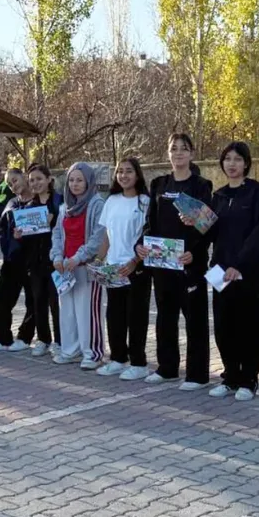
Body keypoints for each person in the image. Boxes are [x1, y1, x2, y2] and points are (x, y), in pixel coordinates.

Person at [137, 133, 214, 389]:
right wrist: (143, 245)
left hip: (190, 263)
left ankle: (197, 374)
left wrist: (195, 250)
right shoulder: (159, 184)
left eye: (184, 148)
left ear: (191, 153)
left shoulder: (201, 185)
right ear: (168, 153)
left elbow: (208, 225)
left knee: (195, 319)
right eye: (174, 148)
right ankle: (167, 368)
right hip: (162, 263)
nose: (178, 153)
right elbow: (150, 222)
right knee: (165, 317)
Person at [207, 142, 259, 402]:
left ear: (246, 163)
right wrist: (195, 223)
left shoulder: (257, 194)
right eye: (227, 159)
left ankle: (248, 379)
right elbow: (212, 233)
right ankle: (230, 377)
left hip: (246, 272)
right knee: (224, 327)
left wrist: (240, 264)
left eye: (237, 159)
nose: (232, 164)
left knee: (248, 327)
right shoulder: (220, 196)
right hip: (220, 273)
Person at [96, 158, 152, 380]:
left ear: (137, 175)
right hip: (113, 268)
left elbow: (149, 236)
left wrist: (134, 262)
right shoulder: (111, 201)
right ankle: (118, 359)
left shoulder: (146, 202)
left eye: (129, 171)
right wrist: (99, 261)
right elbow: (107, 237)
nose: (124, 175)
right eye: (120, 171)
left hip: (136, 269)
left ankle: (139, 363)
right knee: (115, 315)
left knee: (136, 316)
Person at [51, 162, 106, 368]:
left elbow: (97, 237)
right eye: (71, 180)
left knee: (87, 312)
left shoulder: (97, 204)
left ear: (88, 181)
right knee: (68, 312)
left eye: (79, 180)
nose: (75, 184)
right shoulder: (65, 207)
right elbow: (57, 233)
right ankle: (70, 350)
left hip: (86, 267)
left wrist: (78, 257)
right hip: (65, 268)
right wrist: (57, 256)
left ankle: (92, 353)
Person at [0, 168, 36, 352]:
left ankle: (25, 337)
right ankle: (2, 338)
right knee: (0, 300)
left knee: (33, 302)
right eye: (9, 183)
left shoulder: (39, 202)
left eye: (15, 180)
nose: (13, 185)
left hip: (33, 260)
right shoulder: (11, 203)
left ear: (24, 176)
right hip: (11, 259)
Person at [17, 163, 62, 357]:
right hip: (35, 262)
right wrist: (19, 234)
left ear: (49, 180)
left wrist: (53, 221)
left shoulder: (59, 203)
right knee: (38, 301)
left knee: (56, 302)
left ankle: (60, 341)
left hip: (55, 262)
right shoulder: (28, 208)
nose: (35, 183)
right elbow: (27, 238)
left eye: (39, 179)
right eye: (32, 180)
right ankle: (43, 339)